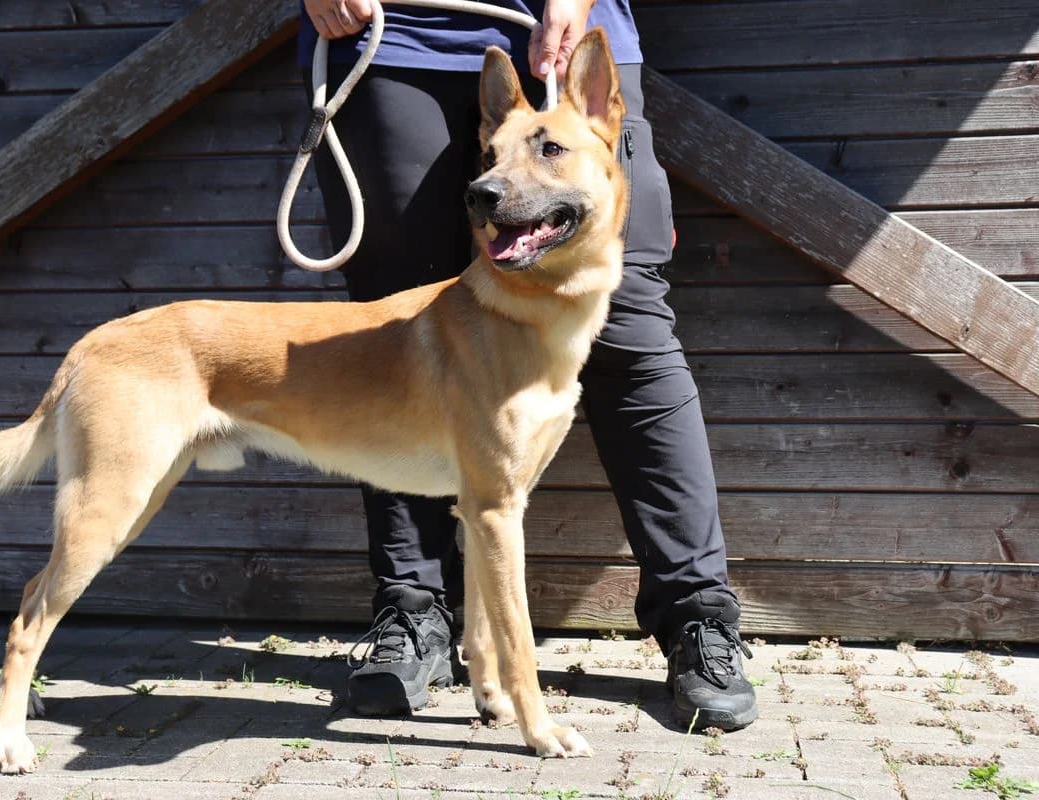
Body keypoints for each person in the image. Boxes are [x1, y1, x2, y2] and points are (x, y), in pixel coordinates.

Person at [299, 0, 757, 731]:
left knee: (629, 328)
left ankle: (696, 612)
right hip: (391, 42)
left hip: (567, 28)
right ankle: (413, 610)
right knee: (395, 330)